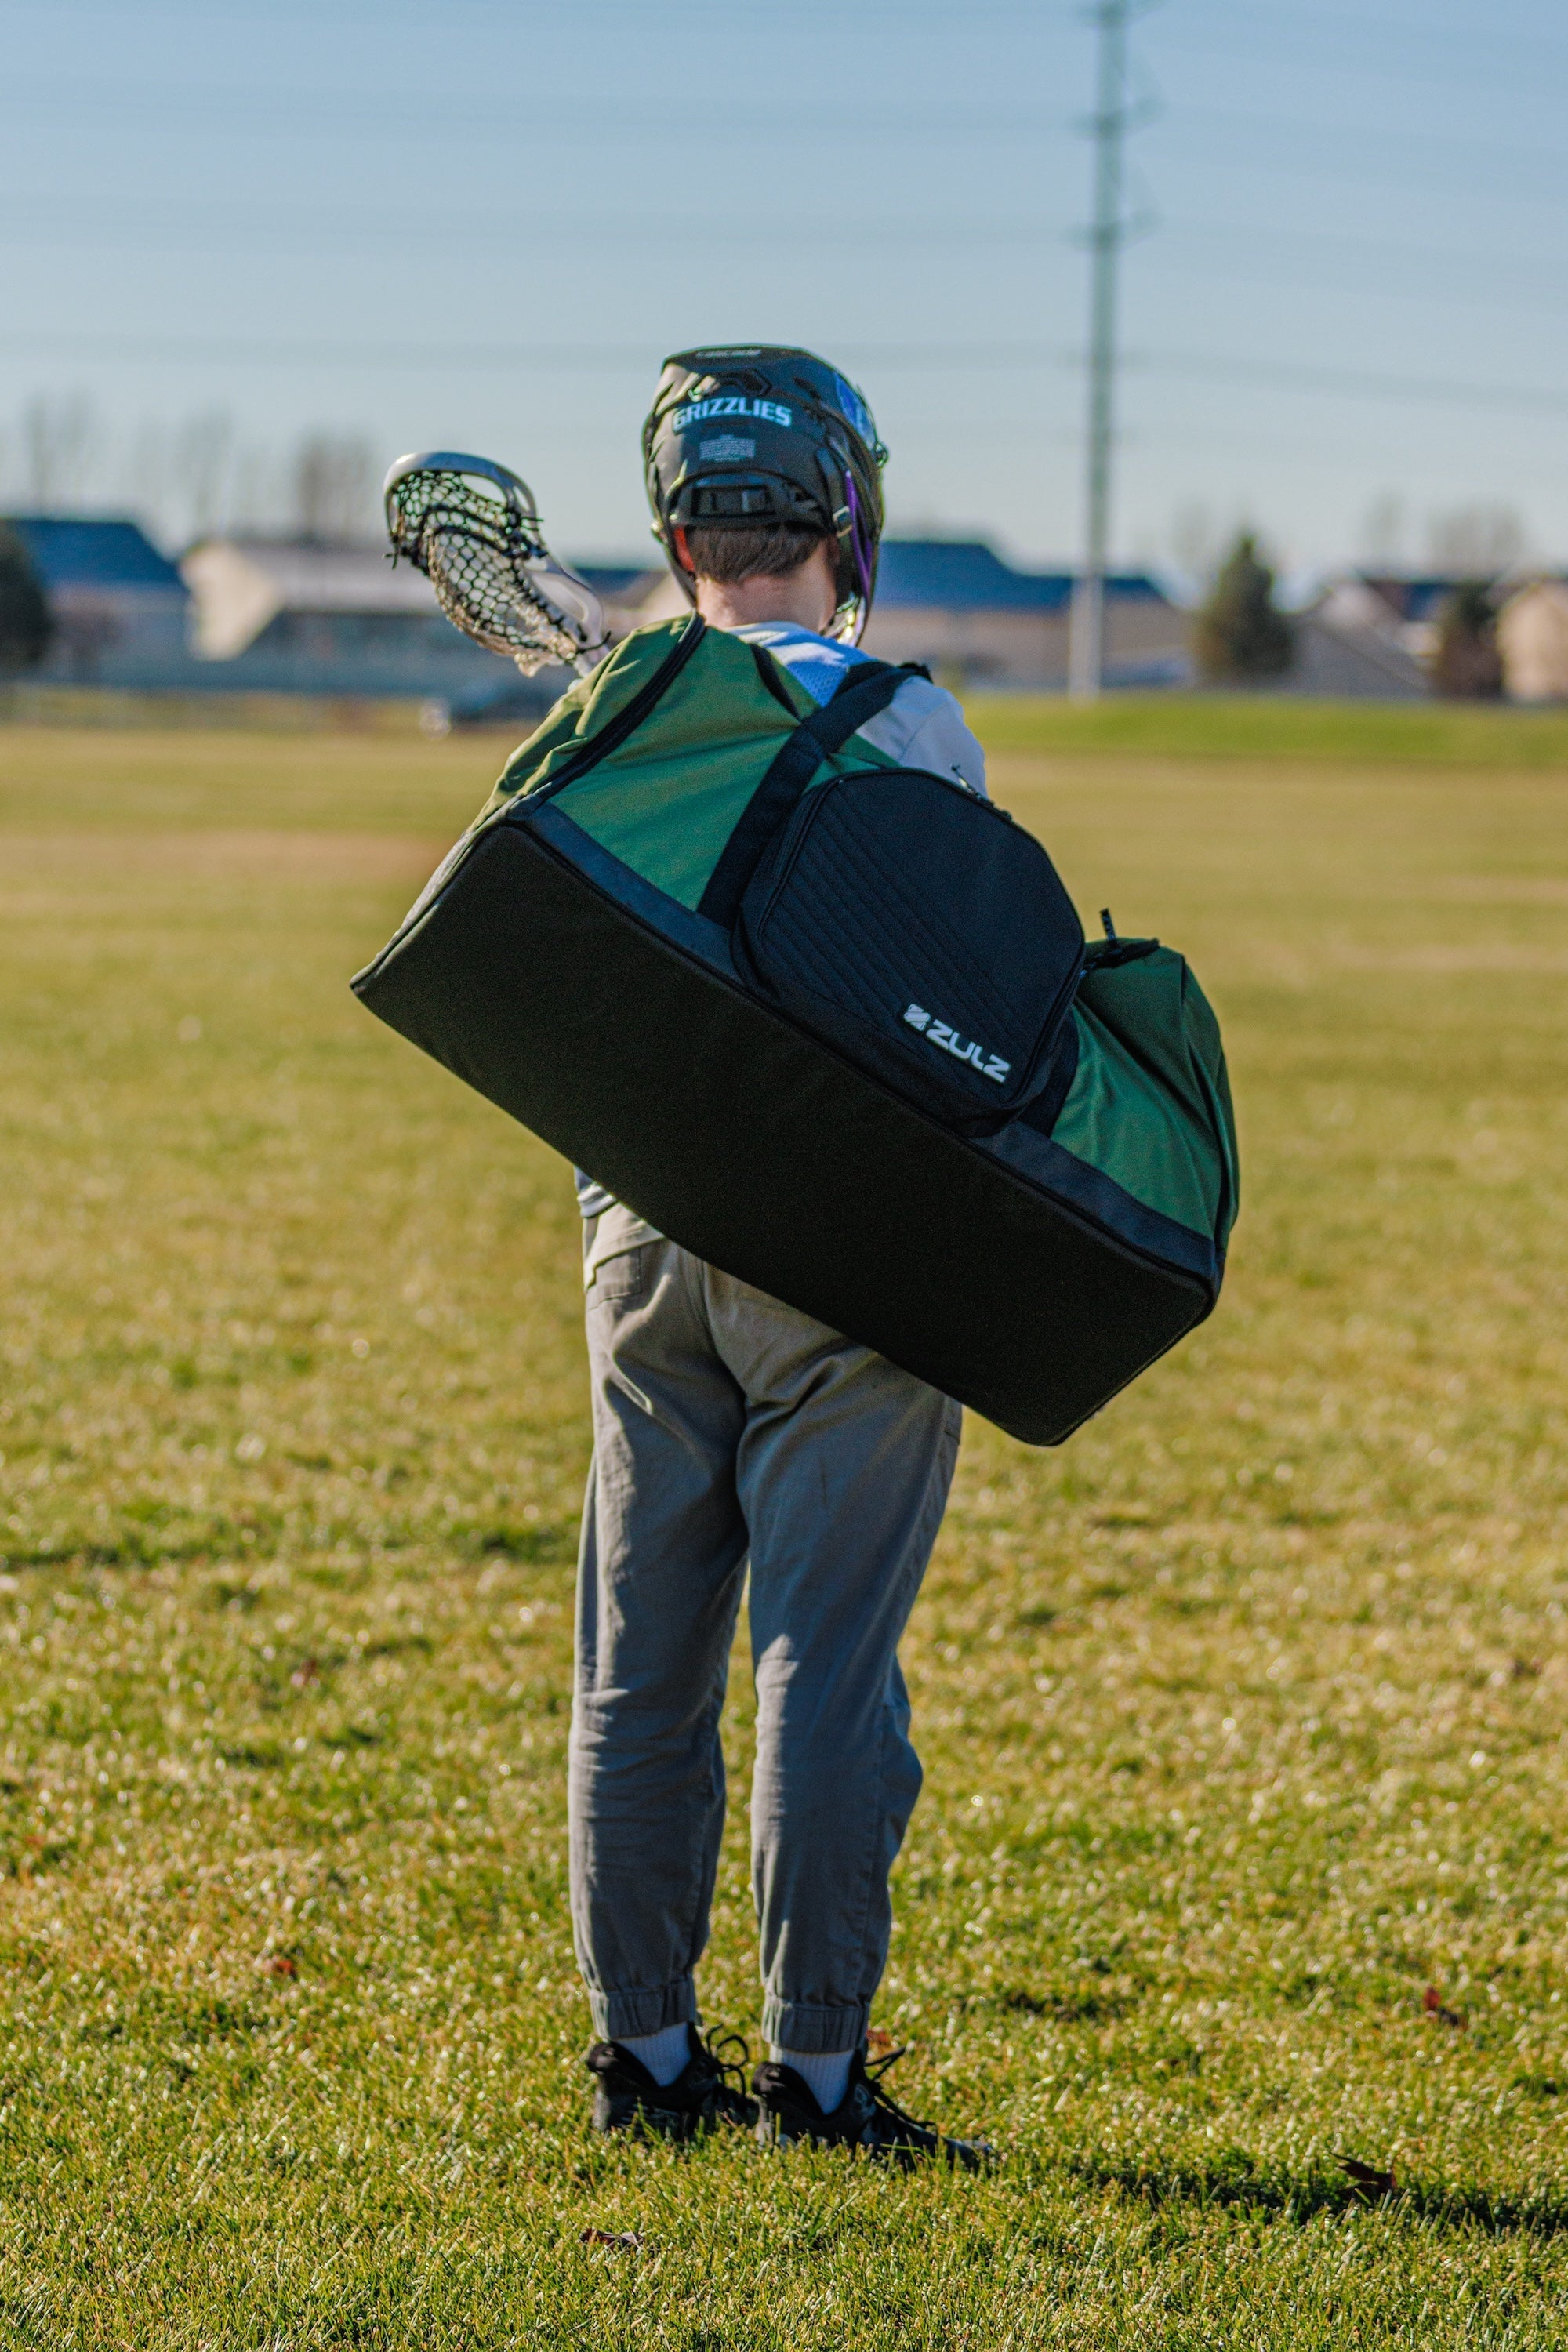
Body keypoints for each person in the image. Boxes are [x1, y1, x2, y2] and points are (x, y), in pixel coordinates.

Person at [572, 348, 991, 2167]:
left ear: (678, 528)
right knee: (825, 1665)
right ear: (849, 519)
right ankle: (816, 2081)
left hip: (641, 1231)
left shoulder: (608, 706)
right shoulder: (911, 722)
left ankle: (645, 2059)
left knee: (635, 1659)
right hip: (846, 1249)